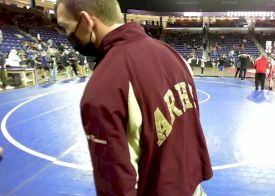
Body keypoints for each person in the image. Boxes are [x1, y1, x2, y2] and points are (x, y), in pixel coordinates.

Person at [55, 0, 213, 195]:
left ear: (86, 21)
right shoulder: (173, 55)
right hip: (193, 188)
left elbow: (116, 185)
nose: (66, 35)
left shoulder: (104, 87)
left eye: (65, 27)